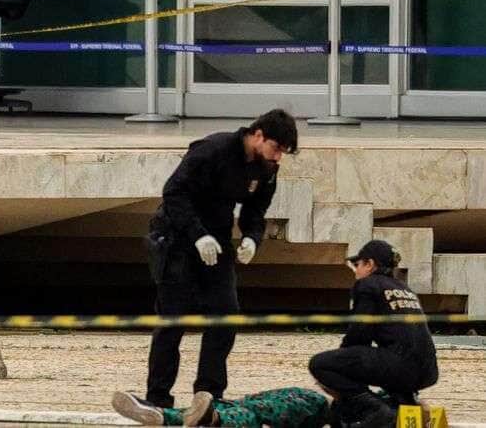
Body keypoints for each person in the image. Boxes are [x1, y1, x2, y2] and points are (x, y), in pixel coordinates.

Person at [141, 109, 299, 409]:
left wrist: (252, 237)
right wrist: (197, 234)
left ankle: (209, 393)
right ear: (259, 135)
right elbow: (173, 192)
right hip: (176, 236)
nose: (278, 158)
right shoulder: (213, 150)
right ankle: (158, 398)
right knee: (173, 319)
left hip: (218, 239)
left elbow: (255, 211)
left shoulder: (266, 169)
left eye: (283, 153)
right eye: (276, 148)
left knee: (225, 314)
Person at [309, 239, 439, 428]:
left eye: (357, 264)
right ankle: (406, 405)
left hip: (401, 367)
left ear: (370, 264)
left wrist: (340, 363)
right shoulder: (404, 289)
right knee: (385, 358)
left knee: (320, 364)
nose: (356, 270)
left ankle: (375, 409)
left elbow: (360, 332)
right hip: (427, 371)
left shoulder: (368, 285)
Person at [112, 388, 331, 428]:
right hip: (317, 405)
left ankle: (162, 415)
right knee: (248, 409)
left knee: (252, 409)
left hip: (317, 406)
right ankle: (163, 416)